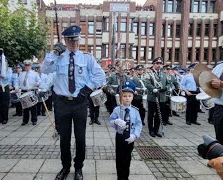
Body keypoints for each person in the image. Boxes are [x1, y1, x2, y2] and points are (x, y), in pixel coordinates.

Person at [42, 25, 106, 180]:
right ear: (65, 41)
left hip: (79, 104)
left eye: (75, 40)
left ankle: (79, 168)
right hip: (62, 104)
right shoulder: (58, 57)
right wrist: (54, 53)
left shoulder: (87, 58)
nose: (73, 43)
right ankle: (65, 167)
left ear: (79, 40)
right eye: (69, 40)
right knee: (64, 138)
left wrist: (86, 90)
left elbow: (100, 76)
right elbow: (45, 70)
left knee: (80, 138)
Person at [109, 81, 142, 180]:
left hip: (130, 137)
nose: (127, 98)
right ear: (120, 97)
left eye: (129, 96)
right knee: (119, 158)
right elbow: (110, 120)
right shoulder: (117, 109)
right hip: (120, 136)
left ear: (133, 97)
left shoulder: (135, 111)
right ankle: (120, 177)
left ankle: (125, 177)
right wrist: (115, 121)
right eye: (124, 96)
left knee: (127, 159)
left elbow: (138, 124)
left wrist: (134, 135)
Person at [144, 57, 169, 138]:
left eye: (160, 64)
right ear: (153, 64)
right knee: (151, 114)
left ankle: (156, 130)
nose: (159, 65)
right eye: (157, 63)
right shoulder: (149, 73)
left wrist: (166, 88)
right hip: (152, 97)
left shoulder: (164, 74)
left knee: (159, 115)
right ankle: (151, 130)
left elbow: (168, 84)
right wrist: (153, 89)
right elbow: (147, 84)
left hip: (162, 97)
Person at [15, 60, 41, 126]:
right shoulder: (21, 74)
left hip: (31, 91)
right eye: (26, 65)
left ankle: (34, 120)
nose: (27, 67)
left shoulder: (35, 73)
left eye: (28, 65)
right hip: (23, 91)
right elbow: (17, 82)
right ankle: (25, 121)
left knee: (33, 107)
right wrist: (16, 88)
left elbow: (39, 81)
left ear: (30, 66)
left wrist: (35, 85)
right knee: (25, 107)